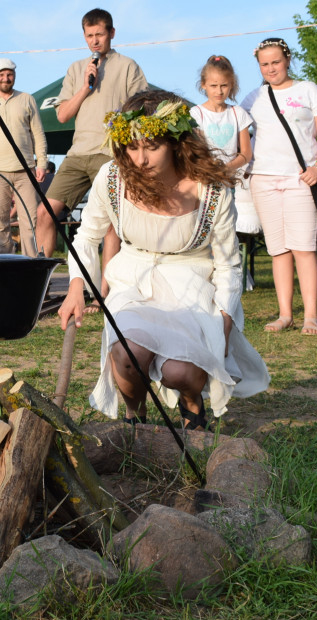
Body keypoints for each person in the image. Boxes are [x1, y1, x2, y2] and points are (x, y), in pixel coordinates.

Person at [59, 90, 269, 429]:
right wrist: (75, 287)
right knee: (128, 357)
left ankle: (192, 405)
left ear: (175, 142)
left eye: (151, 146)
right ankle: (135, 416)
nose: (140, 159)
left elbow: (229, 263)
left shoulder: (211, 189)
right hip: (132, 280)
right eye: (131, 146)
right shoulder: (113, 178)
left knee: (180, 372)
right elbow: (87, 236)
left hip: (191, 283)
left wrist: (225, 320)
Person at [241, 38, 317, 335]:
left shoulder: (309, 89)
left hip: (301, 179)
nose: (270, 68)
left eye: (276, 62)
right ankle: (285, 314)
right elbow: (237, 133)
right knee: (278, 250)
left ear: (288, 60)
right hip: (263, 179)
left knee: (303, 248)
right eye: (264, 64)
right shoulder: (253, 97)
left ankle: (310, 315)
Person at [35, 9, 148, 257]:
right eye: (89, 35)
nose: (94, 41)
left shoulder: (128, 66)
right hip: (77, 154)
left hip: (111, 153)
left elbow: (141, 112)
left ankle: (104, 295)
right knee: (44, 212)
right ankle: (40, 288)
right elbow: (63, 115)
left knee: (110, 224)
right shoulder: (77, 68)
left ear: (112, 33)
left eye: (99, 34)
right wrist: (85, 88)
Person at [0, 58, 48, 256]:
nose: (6, 78)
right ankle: (3, 265)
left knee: (30, 222)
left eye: (10, 74)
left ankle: (32, 267)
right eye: (1, 75)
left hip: (26, 170)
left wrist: (41, 163)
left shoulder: (27, 99)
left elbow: (38, 133)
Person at [193, 55, 258, 235]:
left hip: (228, 182)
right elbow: (196, 152)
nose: (219, 91)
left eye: (224, 85)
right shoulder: (196, 114)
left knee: (225, 229)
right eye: (213, 86)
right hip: (202, 181)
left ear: (231, 85)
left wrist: (226, 169)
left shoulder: (238, 113)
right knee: (203, 229)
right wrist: (210, 170)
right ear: (204, 84)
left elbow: (246, 153)